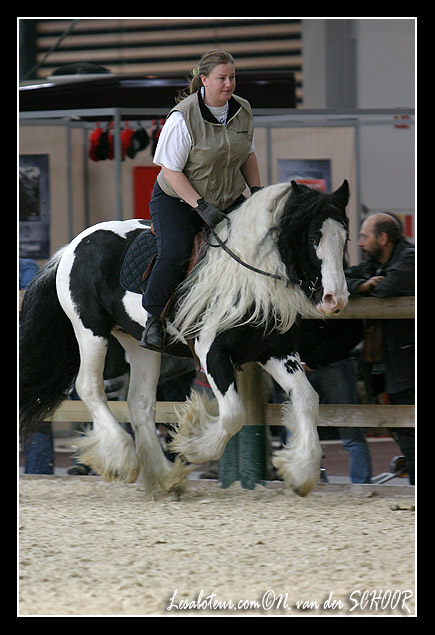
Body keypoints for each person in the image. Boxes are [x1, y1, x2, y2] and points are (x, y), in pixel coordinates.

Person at [140, 49, 262, 352]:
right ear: (204, 79)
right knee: (176, 251)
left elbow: (247, 154)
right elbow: (170, 171)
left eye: (232, 77)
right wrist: (200, 206)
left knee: (259, 242)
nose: (229, 84)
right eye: (222, 78)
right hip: (177, 199)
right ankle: (153, 319)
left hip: (226, 197)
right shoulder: (183, 116)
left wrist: (257, 193)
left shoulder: (243, 110)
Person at [345, 213, 415, 484]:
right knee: (402, 428)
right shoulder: (373, 264)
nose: (360, 243)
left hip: (409, 362)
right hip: (390, 363)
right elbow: (342, 279)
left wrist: (370, 286)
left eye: (364, 236)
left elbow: (389, 287)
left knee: (409, 427)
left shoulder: (409, 258)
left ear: (382, 239)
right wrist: (363, 285)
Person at [297, 319, 372, 484]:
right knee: (299, 430)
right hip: (315, 362)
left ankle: (358, 485)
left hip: (326, 362)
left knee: (350, 431)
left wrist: (311, 360)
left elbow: (353, 332)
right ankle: (358, 484)